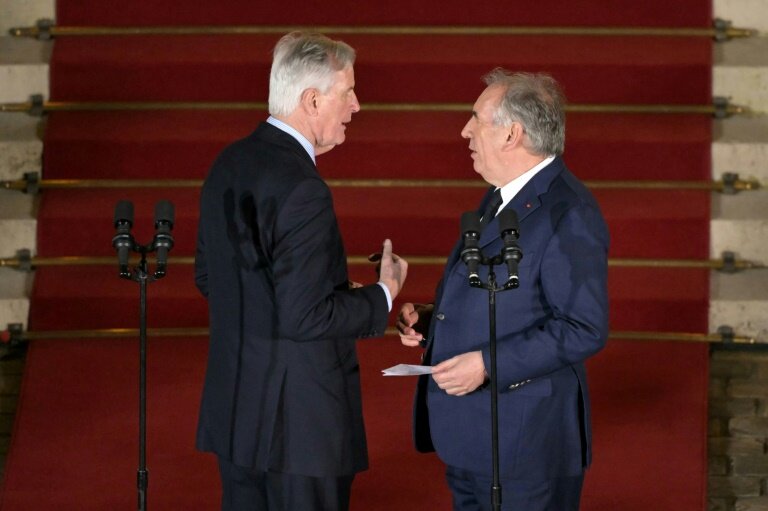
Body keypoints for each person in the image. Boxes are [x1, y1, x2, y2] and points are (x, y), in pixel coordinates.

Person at [194, 32, 408, 511]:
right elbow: (305, 318)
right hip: (299, 429)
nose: (356, 105)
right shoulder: (302, 188)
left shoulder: (229, 162)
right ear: (313, 100)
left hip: (238, 415)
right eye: (348, 92)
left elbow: (213, 278)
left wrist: (322, 290)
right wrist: (383, 295)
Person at [397, 69, 609, 511]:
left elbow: (582, 326)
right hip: (475, 437)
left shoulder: (569, 212)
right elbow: (511, 293)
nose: (465, 130)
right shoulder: (500, 196)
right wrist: (436, 315)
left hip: (525, 446)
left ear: (512, 133)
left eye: (476, 118)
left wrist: (489, 363)